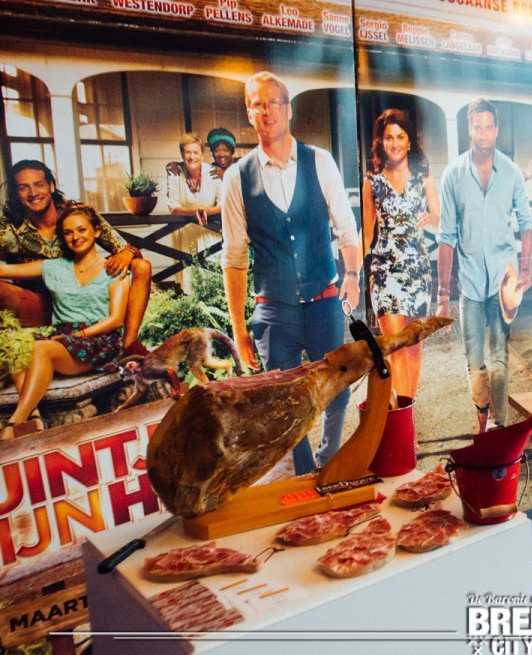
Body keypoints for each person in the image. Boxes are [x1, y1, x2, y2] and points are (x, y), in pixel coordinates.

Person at [221, 71, 361, 474]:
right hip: (273, 309)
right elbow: (234, 257)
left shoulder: (320, 161)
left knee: (336, 390)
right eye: (257, 104)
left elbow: (346, 227)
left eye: (274, 102)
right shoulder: (236, 178)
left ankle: (327, 461)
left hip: (322, 300)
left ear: (288, 109)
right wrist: (239, 330)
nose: (267, 111)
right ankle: (302, 474)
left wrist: (351, 275)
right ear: (249, 114)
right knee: (283, 400)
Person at [436, 98, 532, 434]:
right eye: (478, 126)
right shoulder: (453, 175)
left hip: (504, 281)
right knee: (475, 362)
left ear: (497, 130)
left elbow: (526, 222)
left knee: (500, 360)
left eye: (489, 127)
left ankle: (499, 427)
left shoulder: (512, 172)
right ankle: (482, 419)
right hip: (471, 284)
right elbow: (446, 237)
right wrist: (443, 294)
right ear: (469, 128)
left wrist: (525, 268)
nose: (483, 133)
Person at [0, 204, 130, 439]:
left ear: (96, 231)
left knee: (41, 349)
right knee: (18, 346)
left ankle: (15, 423)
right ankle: (34, 416)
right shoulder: (54, 267)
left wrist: (79, 336)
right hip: (62, 338)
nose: (75, 237)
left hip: (98, 340)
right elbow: (5, 270)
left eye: (81, 230)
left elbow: (116, 320)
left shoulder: (113, 268)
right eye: (68, 233)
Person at [0, 160, 150, 348]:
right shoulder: (7, 225)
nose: (33, 193)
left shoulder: (75, 214)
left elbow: (129, 249)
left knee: (141, 266)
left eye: (38, 185)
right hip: (35, 302)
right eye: (24, 188)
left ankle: (129, 346)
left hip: (83, 298)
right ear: (16, 193)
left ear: (51, 186)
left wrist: (127, 252)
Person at [362, 108, 440, 401]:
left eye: (400, 136)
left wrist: (432, 219)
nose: (394, 143)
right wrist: (353, 274)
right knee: (395, 348)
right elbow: (366, 234)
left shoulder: (424, 176)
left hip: (417, 270)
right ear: (380, 142)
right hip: (384, 273)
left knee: (414, 348)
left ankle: (407, 412)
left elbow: (439, 218)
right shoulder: (372, 181)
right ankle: (402, 420)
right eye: (388, 137)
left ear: (409, 141)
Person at [165, 132, 223, 288]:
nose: (192, 156)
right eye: (187, 152)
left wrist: (207, 211)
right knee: (189, 282)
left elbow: (223, 203)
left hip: (210, 234)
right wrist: (195, 211)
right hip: (185, 235)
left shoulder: (213, 172)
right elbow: (173, 207)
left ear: (202, 155)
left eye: (196, 152)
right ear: (182, 155)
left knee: (212, 281)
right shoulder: (175, 173)